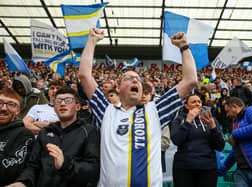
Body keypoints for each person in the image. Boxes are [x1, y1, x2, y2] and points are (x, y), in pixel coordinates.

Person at [78, 28, 198, 187]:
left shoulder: (155, 110)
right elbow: (84, 75)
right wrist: (92, 40)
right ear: (118, 88)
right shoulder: (106, 111)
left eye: (138, 79)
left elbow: (190, 80)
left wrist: (184, 47)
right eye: (129, 78)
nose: (135, 81)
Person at [6, 88, 100, 187]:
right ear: (54, 108)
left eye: (68, 100)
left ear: (77, 107)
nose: (62, 104)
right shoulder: (45, 132)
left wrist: (65, 164)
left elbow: (93, 170)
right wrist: (23, 182)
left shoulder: (89, 131)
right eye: (58, 101)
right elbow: (33, 166)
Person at [170, 94, 225, 187]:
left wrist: (213, 128)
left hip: (208, 167)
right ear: (187, 106)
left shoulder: (211, 120)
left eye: (199, 102)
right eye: (193, 102)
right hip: (184, 167)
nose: (197, 104)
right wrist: (188, 121)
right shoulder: (179, 120)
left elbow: (220, 146)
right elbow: (176, 140)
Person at [0, 88, 34, 186]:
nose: (3, 108)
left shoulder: (24, 134)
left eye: (11, 104)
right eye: (0, 102)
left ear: (18, 111)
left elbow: (11, 171)